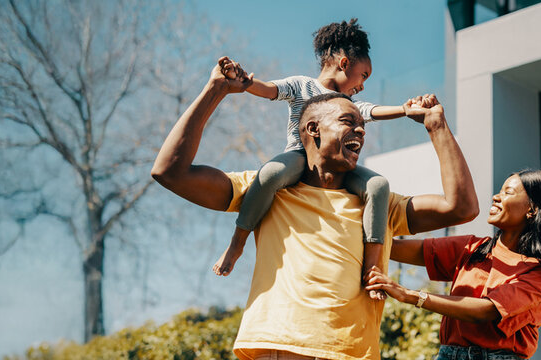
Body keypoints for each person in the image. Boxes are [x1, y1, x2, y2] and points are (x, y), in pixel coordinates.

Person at [150, 57, 478, 360]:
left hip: (356, 353)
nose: (361, 130)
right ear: (313, 130)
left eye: (362, 124)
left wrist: (437, 127)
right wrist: (215, 90)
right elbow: (169, 172)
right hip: (281, 347)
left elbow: (460, 208)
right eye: (348, 121)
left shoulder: (377, 203)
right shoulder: (267, 190)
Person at [213, 20, 416, 301]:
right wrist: (245, 82)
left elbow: (371, 110)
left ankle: (372, 266)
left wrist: (405, 109)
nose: (362, 85)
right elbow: (270, 89)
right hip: (301, 158)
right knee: (270, 173)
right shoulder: (302, 86)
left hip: (338, 167)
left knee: (378, 186)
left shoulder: (347, 103)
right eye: (363, 75)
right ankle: (237, 243)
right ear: (344, 63)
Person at [364, 170, 541, 360]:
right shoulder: (473, 248)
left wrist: (410, 295)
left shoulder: (539, 273)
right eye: (499, 191)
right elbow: (394, 248)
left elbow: (486, 310)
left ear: (532, 210)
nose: (496, 197)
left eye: (507, 193)